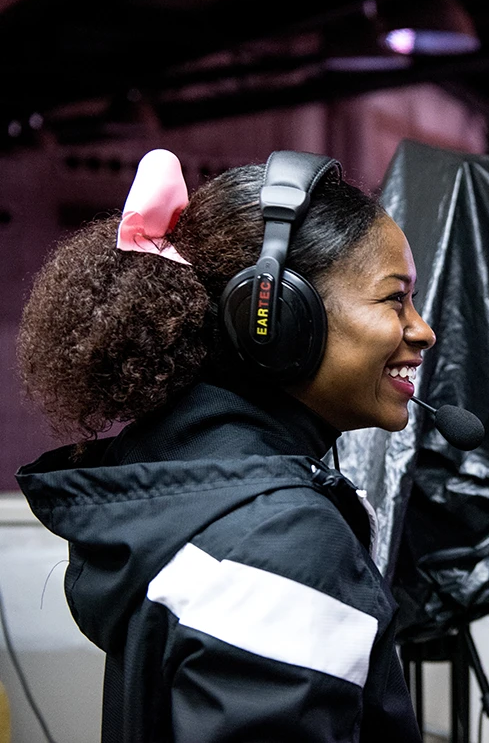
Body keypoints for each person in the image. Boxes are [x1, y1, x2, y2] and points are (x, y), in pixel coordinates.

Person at [15, 148, 433, 742]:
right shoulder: (280, 539)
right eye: (395, 299)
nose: (423, 330)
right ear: (278, 315)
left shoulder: (180, 481)